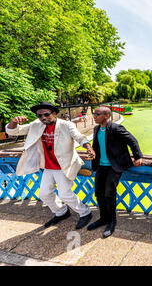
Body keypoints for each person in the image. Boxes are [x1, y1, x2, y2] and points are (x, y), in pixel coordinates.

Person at [5, 102, 95, 230]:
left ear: (54, 113)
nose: (43, 118)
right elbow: (15, 131)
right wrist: (14, 121)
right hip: (48, 166)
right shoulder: (36, 125)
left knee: (65, 194)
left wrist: (88, 147)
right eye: (39, 115)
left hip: (64, 165)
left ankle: (85, 213)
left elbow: (79, 137)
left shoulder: (66, 125)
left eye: (46, 114)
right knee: (44, 194)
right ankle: (61, 212)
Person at [87, 106, 144, 238]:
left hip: (114, 166)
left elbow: (132, 140)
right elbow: (97, 146)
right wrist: (92, 153)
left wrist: (137, 157)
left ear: (106, 116)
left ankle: (112, 221)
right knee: (99, 193)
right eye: (94, 114)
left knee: (109, 194)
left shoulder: (116, 128)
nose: (94, 116)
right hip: (101, 165)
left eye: (97, 114)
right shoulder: (96, 129)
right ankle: (103, 218)